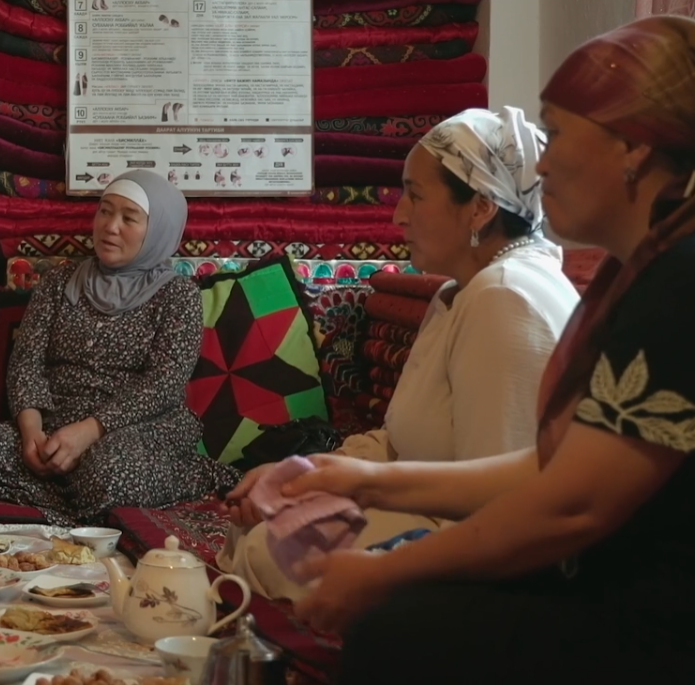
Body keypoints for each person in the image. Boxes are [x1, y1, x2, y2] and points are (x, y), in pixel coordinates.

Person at [280, 17, 695, 683]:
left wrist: (382, 569)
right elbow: (563, 469)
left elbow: (572, 506)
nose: (541, 162)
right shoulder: (676, 261)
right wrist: (366, 478)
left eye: (556, 134)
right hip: (634, 588)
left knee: (397, 625)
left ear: (633, 147)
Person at [217, 107, 579, 600]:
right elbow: (401, 439)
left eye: (416, 194)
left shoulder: (506, 299)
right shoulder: (463, 290)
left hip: (473, 545)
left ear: (480, 208)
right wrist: (302, 476)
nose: (397, 214)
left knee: (271, 549)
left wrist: (346, 501)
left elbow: (502, 510)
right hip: (426, 509)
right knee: (268, 523)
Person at [0, 169, 236, 526]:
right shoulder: (59, 282)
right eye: (105, 211)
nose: (110, 226)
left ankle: (187, 475)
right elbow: (26, 364)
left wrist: (89, 430)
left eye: (128, 218)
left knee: (110, 475)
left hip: (136, 430)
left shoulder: (178, 296)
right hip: (55, 425)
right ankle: (76, 503)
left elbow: (162, 384)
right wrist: (32, 436)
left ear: (158, 230)